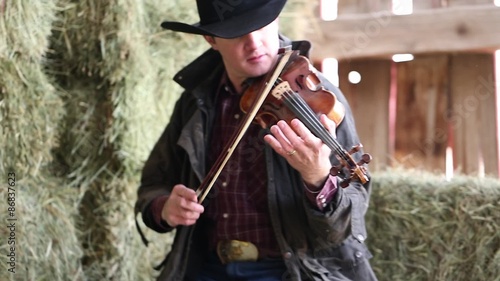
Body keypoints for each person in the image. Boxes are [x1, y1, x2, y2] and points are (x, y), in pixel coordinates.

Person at [135, 0, 378, 280]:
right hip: (206, 266)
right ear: (211, 39)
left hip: (290, 270)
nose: (254, 43)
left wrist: (317, 176)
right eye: (237, 33)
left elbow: (346, 224)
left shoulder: (319, 99)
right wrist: (165, 207)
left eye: (261, 26)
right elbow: (153, 184)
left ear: (276, 21)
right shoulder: (195, 100)